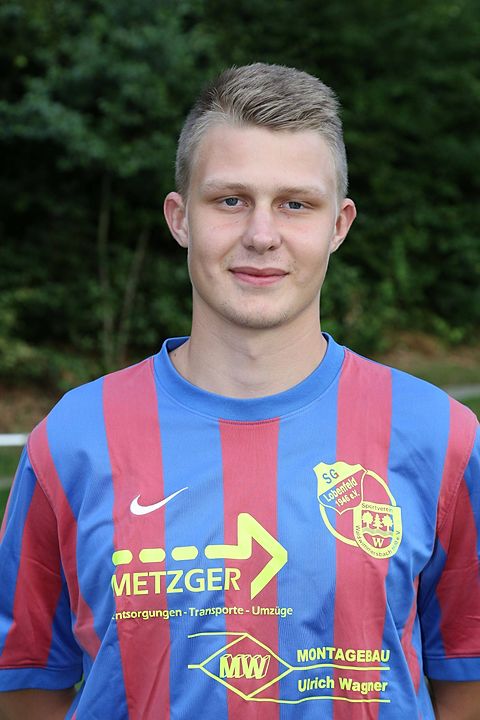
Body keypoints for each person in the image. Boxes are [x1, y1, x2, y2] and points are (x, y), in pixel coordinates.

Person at [0, 63, 479, 720]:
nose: (261, 235)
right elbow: (26, 680)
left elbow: (468, 673)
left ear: (339, 225)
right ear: (180, 218)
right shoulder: (74, 437)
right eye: (230, 200)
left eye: (295, 204)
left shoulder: (440, 436)